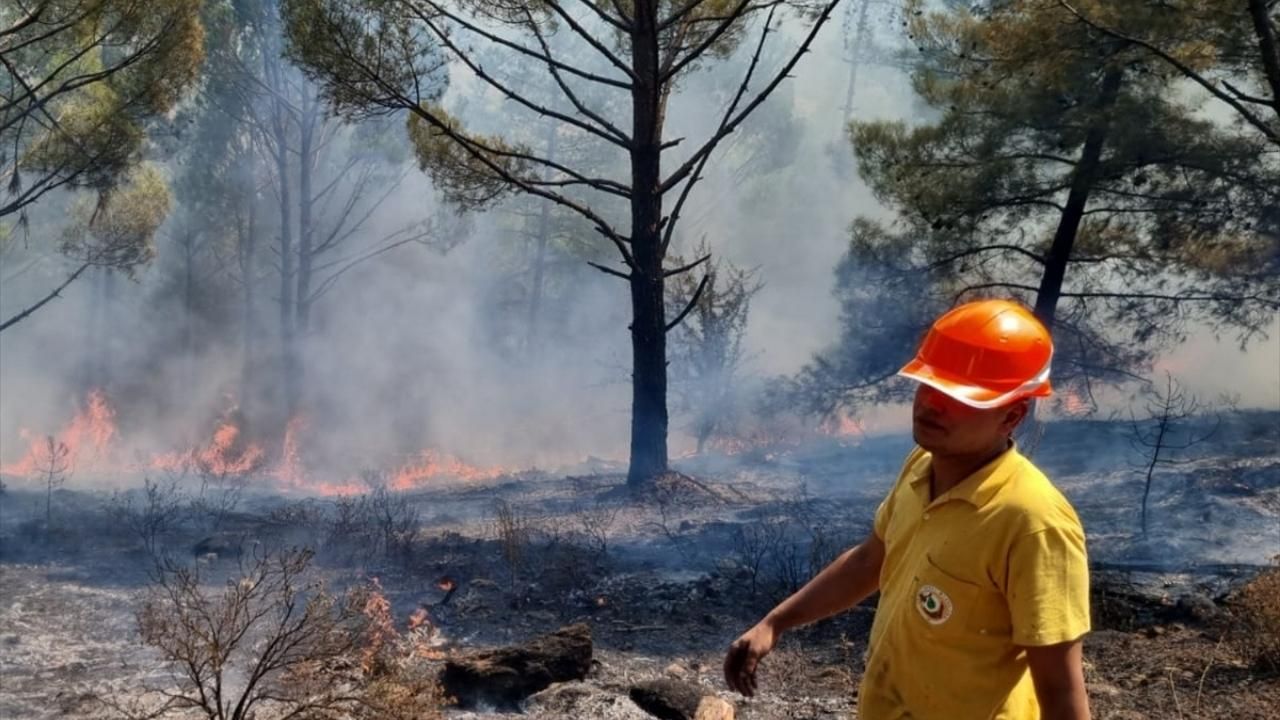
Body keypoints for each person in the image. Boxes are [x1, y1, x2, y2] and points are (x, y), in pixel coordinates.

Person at [724, 299, 1091, 720]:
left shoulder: (1032, 522)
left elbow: (1061, 689)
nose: (931, 404)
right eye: (928, 385)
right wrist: (775, 622)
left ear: (1012, 416)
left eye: (958, 397)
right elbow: (869, 561)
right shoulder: (922, 465)